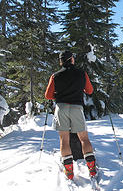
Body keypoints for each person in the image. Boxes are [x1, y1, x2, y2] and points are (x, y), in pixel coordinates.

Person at [45, 50, 96, 180]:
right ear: (72, 59)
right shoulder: (81, 74)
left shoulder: (55, 76)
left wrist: (58, 94)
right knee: (84, 138)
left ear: (61, 61)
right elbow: (89, 91)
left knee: (64, 139)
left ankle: (69, 171)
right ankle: (91, 169)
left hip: (61, 108)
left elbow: (48, 96)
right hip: (76, 107)